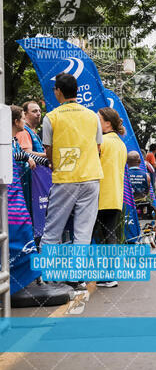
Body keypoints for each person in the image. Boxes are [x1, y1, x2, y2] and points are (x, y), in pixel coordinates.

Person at [41, 73, 104, 289]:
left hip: (65, 178)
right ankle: (77, 277)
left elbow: (48, 151)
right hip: (91, 178)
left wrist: (55, 163)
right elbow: (97, 148)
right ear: (76, 91)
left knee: (52, 229)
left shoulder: (51, 117)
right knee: (83, 231)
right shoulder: (93, 116)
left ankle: (48, 275)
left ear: (58, 91)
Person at [93, 108, 127, 288]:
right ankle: (110, 275)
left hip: (99, 195)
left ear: (108, 123)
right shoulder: (121, 143)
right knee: (110, 235)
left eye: (98, 119)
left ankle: (103, 275)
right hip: (115, 195)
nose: (96, 122)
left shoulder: (102, 142)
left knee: (97, 237)